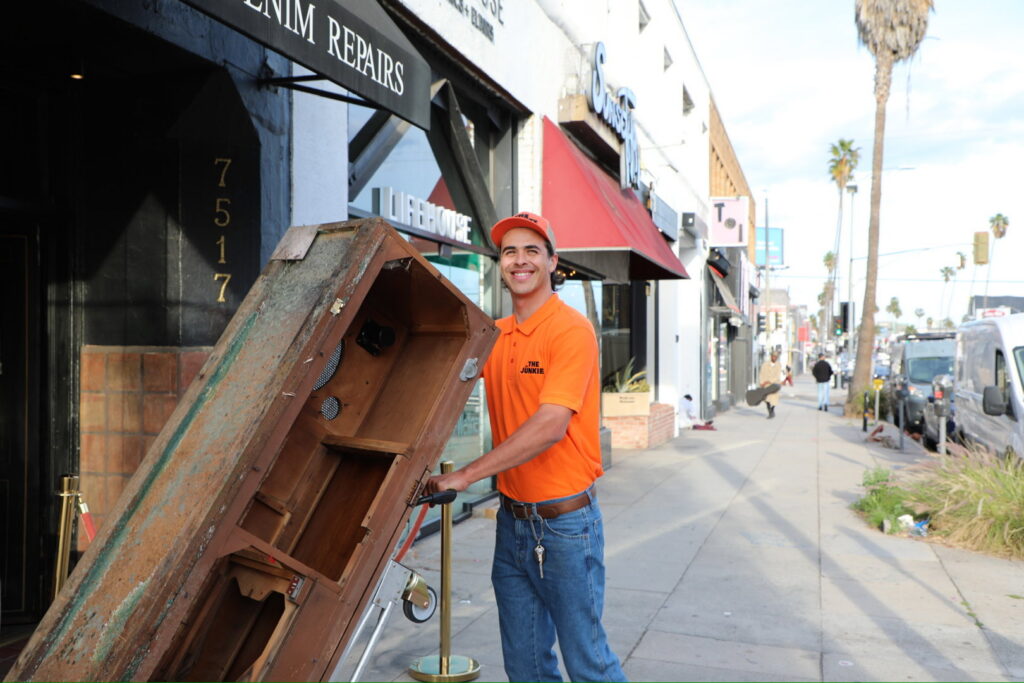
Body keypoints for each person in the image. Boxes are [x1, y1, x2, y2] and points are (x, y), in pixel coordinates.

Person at [425, 211, 626, 683]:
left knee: (589, 664)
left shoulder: (570, 330)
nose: (520, 260)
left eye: (532, 250)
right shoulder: (494, 336)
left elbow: (551, 425)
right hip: (513, 525)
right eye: (509, 251)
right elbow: (434, 381)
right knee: (526, 667)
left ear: (553, 262)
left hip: (566, 527)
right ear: (500, 264)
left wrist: (465, 476)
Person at [758, 350, 784, 419]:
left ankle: (772, 410)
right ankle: (770, 411)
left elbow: (777, 376)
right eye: (773, 356)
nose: (774, 358)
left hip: (774, 385)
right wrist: (762, 382)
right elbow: (761, 374)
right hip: (765, 385)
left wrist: (769, 381)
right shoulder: (765, 364)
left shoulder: (778, 365)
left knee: (774, 399)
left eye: (776, 357)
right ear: (771, 357)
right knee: (766, 399)